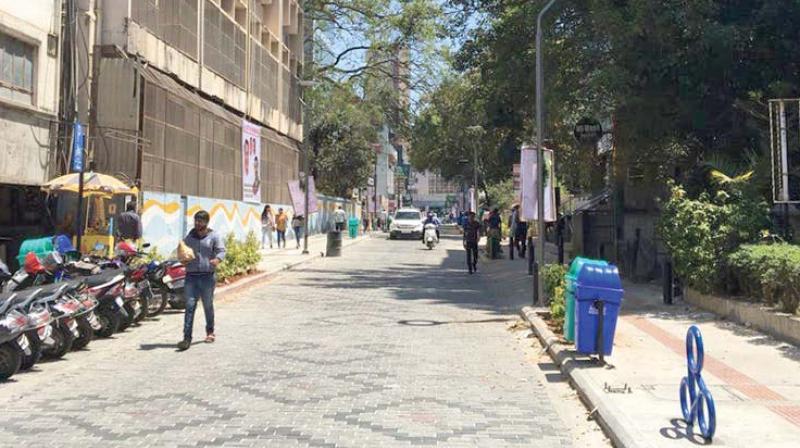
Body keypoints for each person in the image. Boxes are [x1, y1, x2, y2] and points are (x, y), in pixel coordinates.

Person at [178, 210, 226, 350]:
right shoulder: (190, 237)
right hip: (191, 277)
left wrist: (217, 259)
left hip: (207, 277)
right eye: (196, 220)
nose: (197, 223)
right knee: (190, 306)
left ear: (206, 222)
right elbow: (183, 251)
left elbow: (221, 250)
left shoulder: (214, 236)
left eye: (200, 221)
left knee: (207, 305)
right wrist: (183, 260)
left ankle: (210, 331)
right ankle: (186, 338)